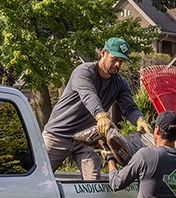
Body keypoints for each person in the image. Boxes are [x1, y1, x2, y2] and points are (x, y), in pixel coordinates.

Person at [43, 37, 144, 179]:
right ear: (103, 53)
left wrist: (139, 120)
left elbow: (129, 107)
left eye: (121, 61)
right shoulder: (84, 72)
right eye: (114, 59)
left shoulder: (120, 83)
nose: (117, 64)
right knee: (39, 177)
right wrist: (101, 116)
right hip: (58, 135)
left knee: (93, 184)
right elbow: (89, 95)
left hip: (87, 140)